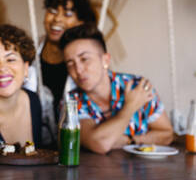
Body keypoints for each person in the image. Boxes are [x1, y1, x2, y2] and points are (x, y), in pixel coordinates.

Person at [59, 23, 174, 154]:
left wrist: (131, 140)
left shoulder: (138, 86)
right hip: (94, 172)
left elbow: (166, 134)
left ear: (105, 60)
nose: (78, 70)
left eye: (84, 59)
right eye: (70, 64)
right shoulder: (71, 101)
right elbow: (99, 143)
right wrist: (130, 107)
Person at [25, 0, 97, 146]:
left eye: (68, 14)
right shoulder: (27, 52)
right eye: (52, 11)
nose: (57, 19)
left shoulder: (85, 63)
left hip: (74, 148)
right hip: (32, 147)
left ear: (80, 23)